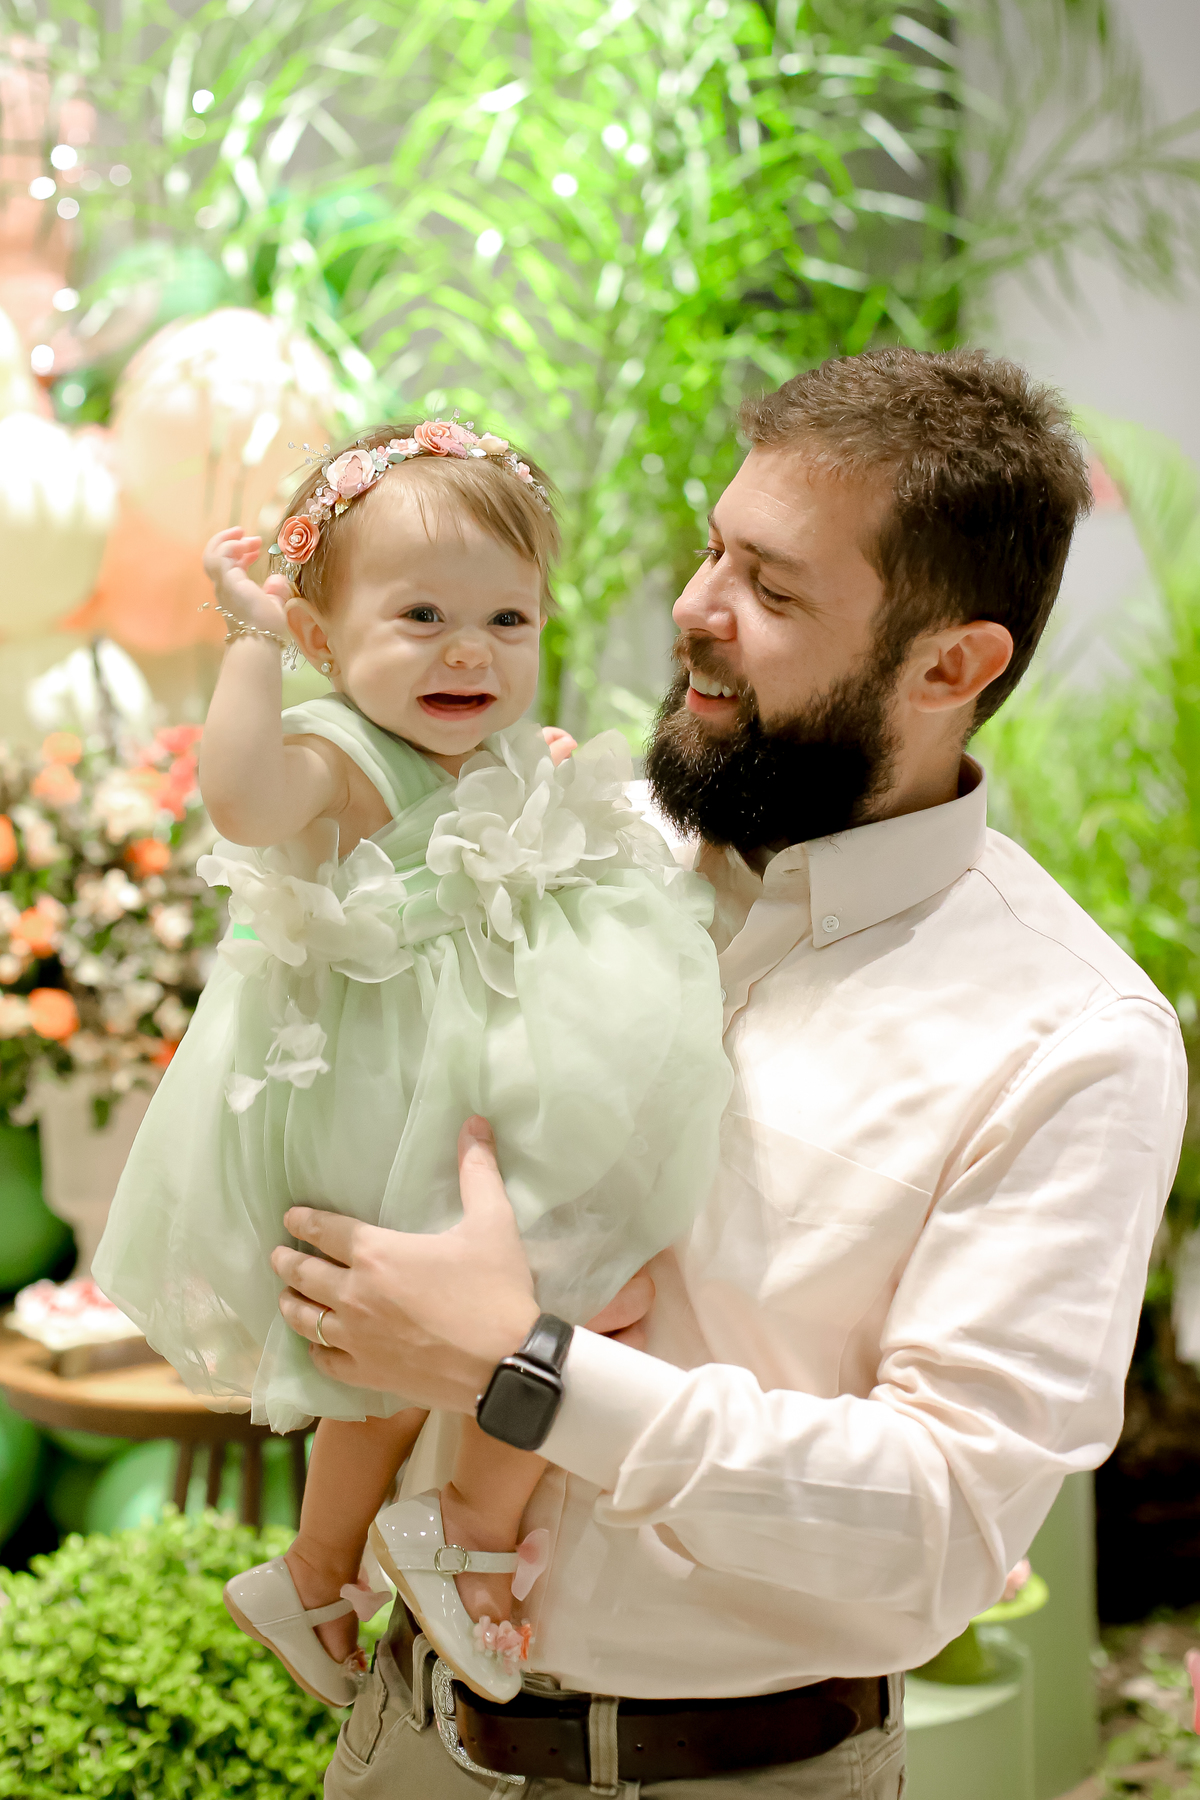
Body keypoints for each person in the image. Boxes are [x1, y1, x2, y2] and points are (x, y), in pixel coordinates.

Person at [272, 349, 1189, 1800]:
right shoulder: (568, 841)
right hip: (406, 1741)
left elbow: (938, 1526)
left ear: (951, 667)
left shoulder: (1070, 1036)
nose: (694, 608)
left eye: (771, 589)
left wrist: (528, 1374)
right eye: (715, 548)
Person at [92, 418, 730, 1710]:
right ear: (323, 637)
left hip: (487, 1080)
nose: (469, 650)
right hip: (392, 1094)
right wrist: (251, 645)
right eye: (422, 615)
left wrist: (539, 790)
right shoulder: (342, 755)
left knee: (414, 1365)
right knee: (552, 1303)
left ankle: (314, 1568)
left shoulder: (498, 749)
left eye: (507, 619)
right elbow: (241, 803)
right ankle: (465, 1535)